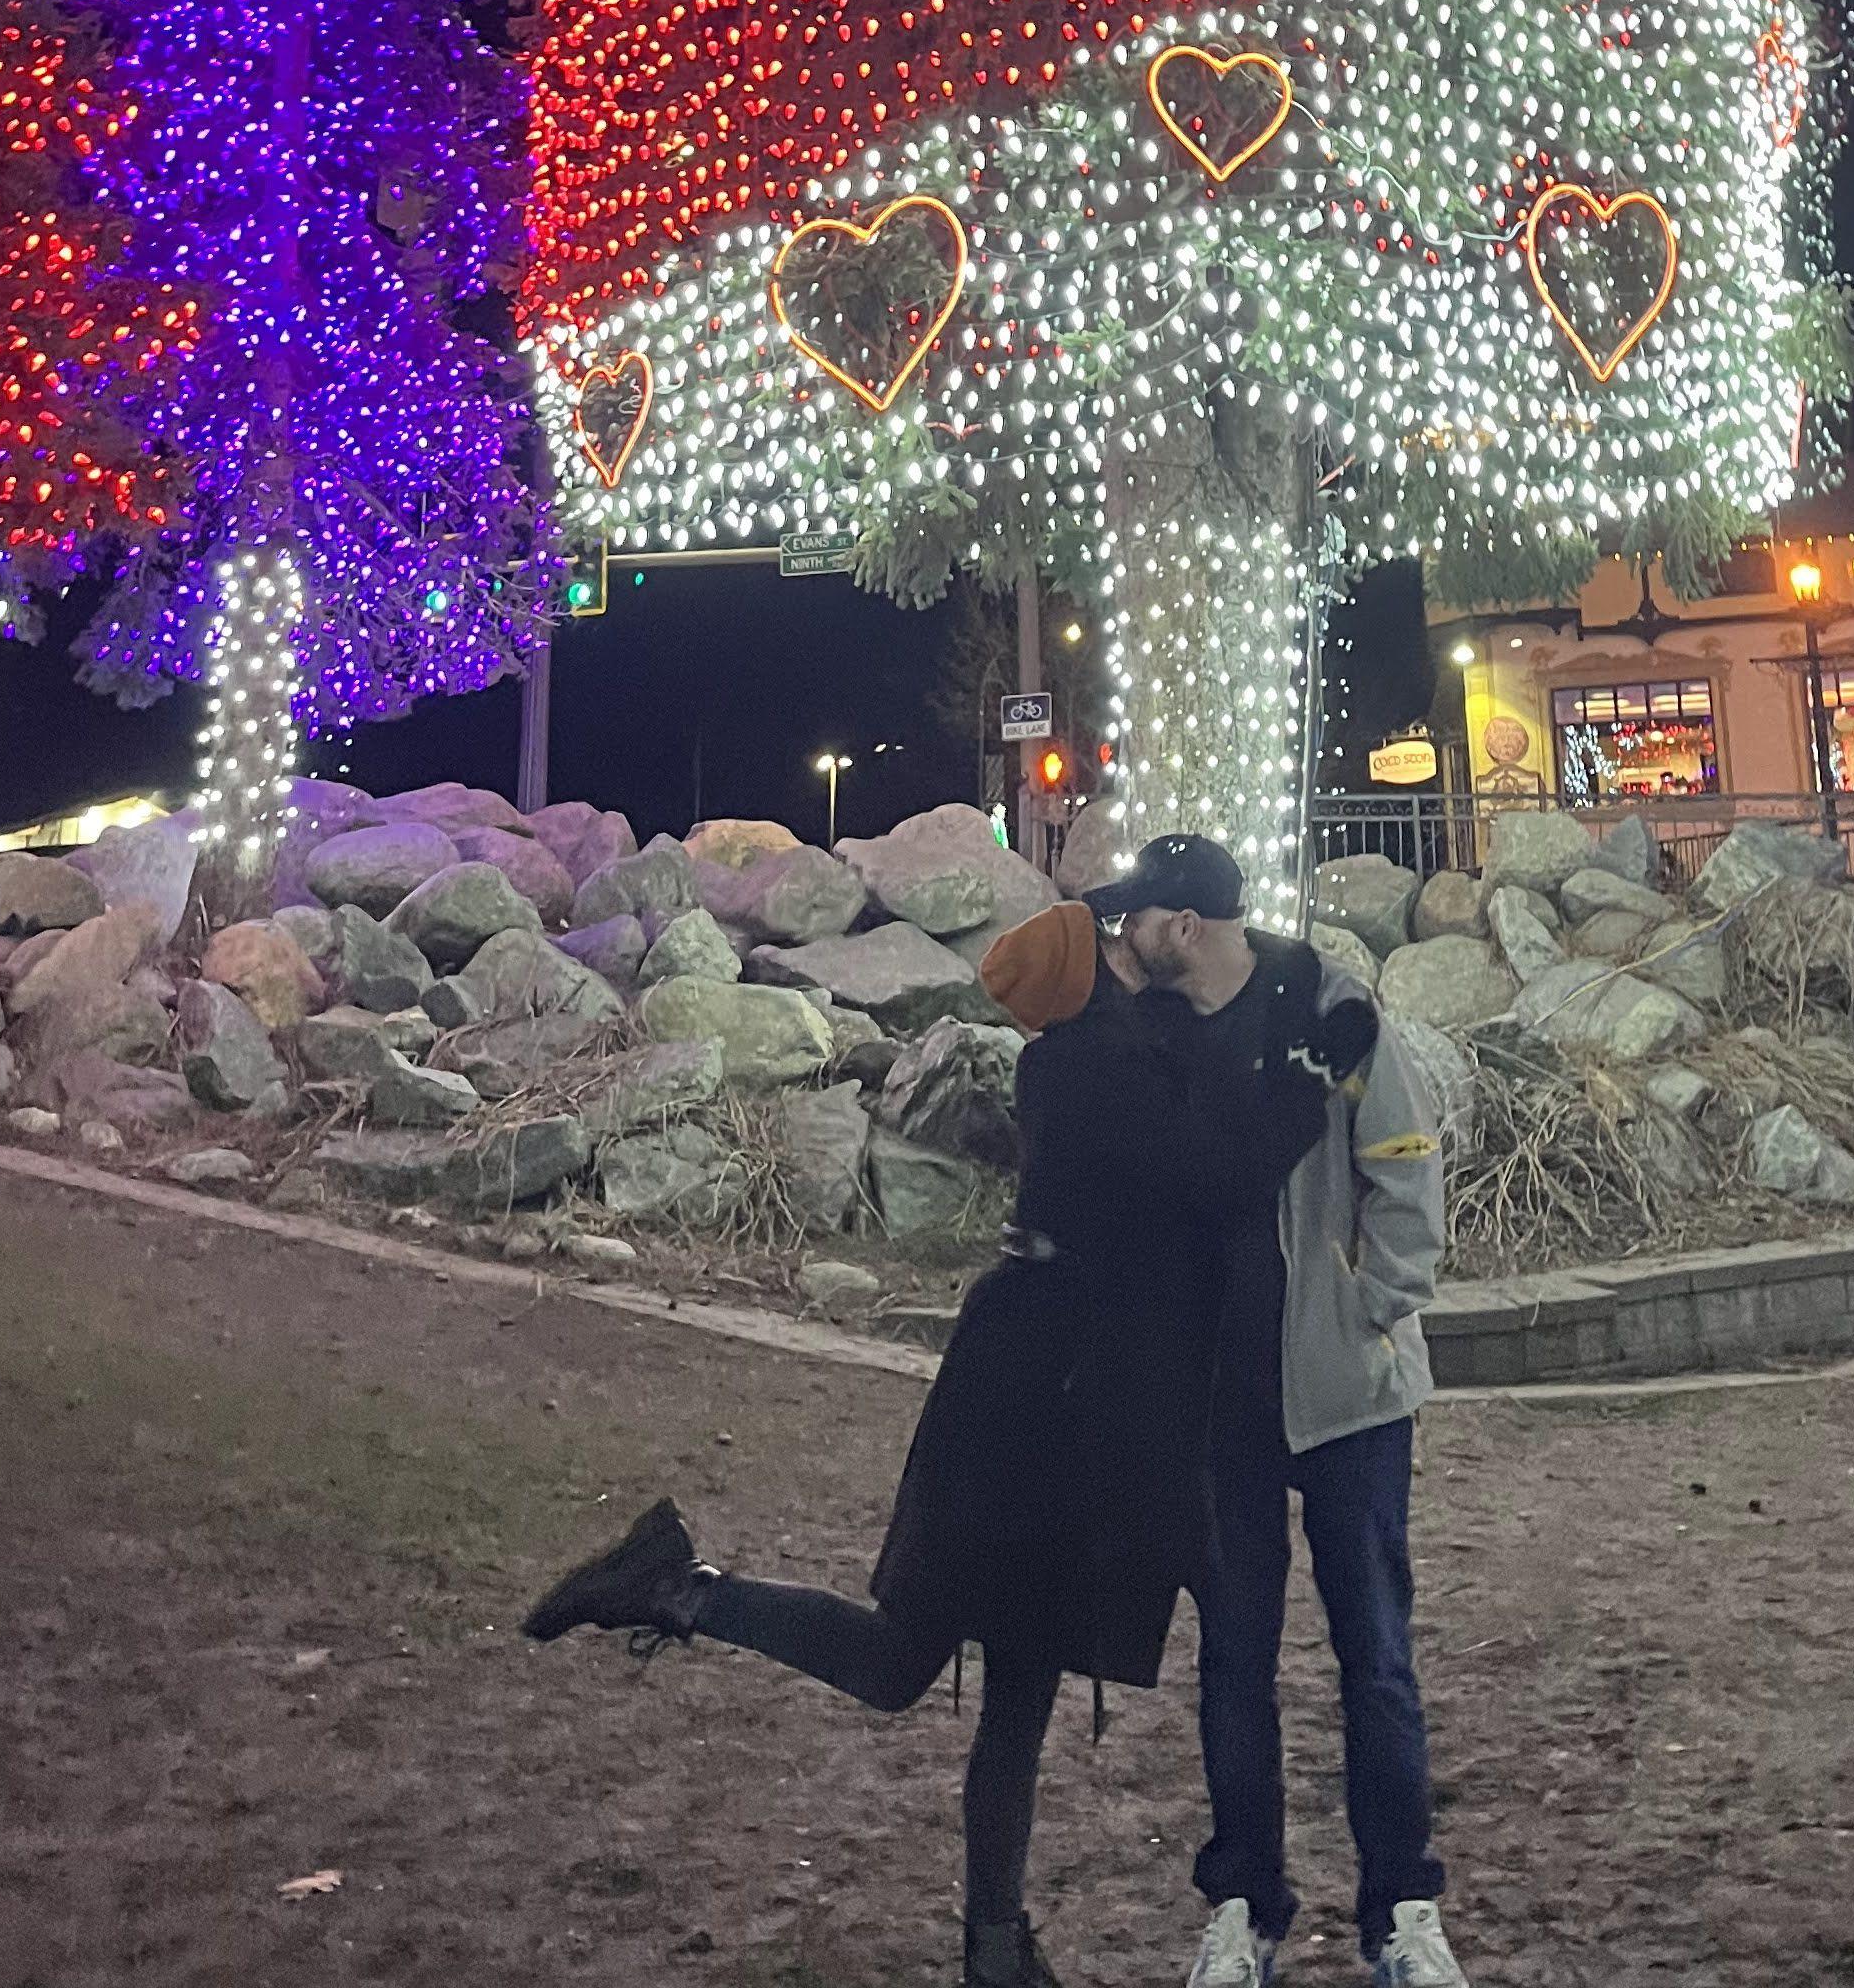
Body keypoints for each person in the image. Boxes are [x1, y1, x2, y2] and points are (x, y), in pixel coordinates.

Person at [522, 880, 1348, 1988]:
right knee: (904, 1661)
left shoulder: (1085, 1057)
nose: (1125, 942)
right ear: (1093, 977)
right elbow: (1221, 1173)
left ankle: (995, 1947)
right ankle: (680, 1589)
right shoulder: (1094, 1073)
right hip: (1030, 1427)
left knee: (1019, 1688)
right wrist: (1308, 1084)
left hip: (1045, 1406)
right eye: (1107, 940)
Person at [1101, 840, 1469, 1988]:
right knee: (1235, 1664)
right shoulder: (1149, 1040)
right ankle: (1244, 1909)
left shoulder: (1325, 1002)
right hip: (1218, 1409)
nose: (1122, 941)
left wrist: (1373, 1306)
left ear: (1189, 927)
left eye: (1137, 921)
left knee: (1377, 1658)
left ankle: (1403, 1911)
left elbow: (1407, 1160)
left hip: (1347, 1394)